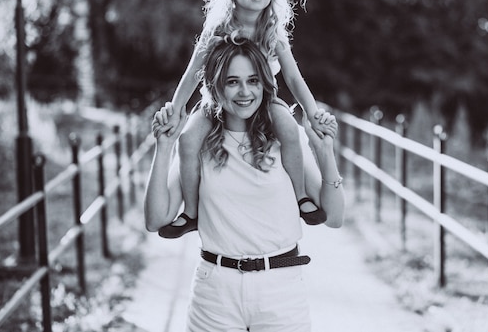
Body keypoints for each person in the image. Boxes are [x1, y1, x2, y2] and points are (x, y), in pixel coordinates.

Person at [144, 36, 344, 331]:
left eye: (253, 81)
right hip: (215, 292)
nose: (244, 92)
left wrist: (326, 153)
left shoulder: (286, 137)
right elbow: (155, 220)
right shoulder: (198, 143)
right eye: (232, 82)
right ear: (216, 86)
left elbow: (336, 217)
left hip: (281, 291)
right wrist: (163, 147)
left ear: (264, 84)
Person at [158, 0, 335, 237]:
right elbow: (193, 73)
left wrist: (312, 111)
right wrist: (177, 109)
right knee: (187, 141)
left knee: (291, 131)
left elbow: (292, 77)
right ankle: (191, 211)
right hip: (217, 102)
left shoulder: (273, 30)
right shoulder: (217, 28)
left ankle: (301, 195)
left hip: (264, 102)